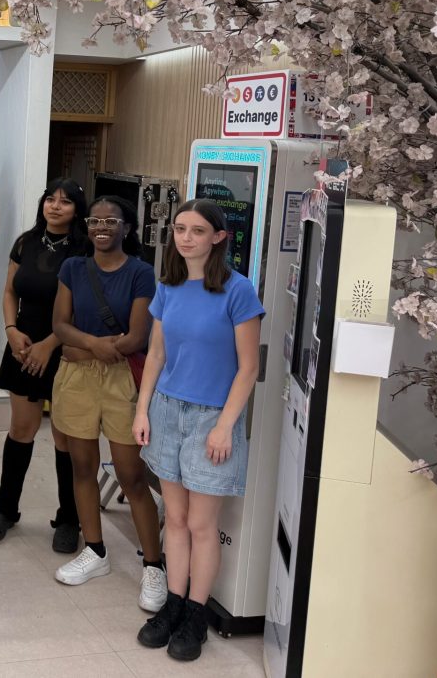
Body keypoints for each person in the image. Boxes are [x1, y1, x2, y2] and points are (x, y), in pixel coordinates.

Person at [132, 199, 264, 662]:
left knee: (203, 525)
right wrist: (142, 410)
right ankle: (172, 603)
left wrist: (226, 427)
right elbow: (156, 356)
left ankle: (195, 613)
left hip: (213, 418)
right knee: (178, 520)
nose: (186, 238)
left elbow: (248, 368)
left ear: (219, 238)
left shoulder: (239, 291)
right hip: (167, 411)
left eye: (197, 230)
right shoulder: (167, 286)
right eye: (180, 229)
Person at [50, 196, 165, 612]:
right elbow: (59, 325)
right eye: (95, 220)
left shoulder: (141, 273)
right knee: (82, 467)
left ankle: (154, 565)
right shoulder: (72, 268)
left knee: (131, 476)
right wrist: (96, 344)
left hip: (121, 382)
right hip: (76, 379)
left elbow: (138, 336)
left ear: (127, 227)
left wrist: (92, 348)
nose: (102, 227)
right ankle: (95, 551)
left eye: (110, 221)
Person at [0, 178, 87, 558]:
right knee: (21, 431)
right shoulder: (26, 241)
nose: (55, 207)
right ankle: (5, 508)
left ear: (78, 209)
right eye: (50, 200)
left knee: (64, 437)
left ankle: (70, 518)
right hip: (23, 345)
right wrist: (10, 330)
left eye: (65, 202)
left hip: (65, 348)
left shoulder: (85, 248)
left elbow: (83, 307)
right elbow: (9, 291)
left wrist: (50, 343)